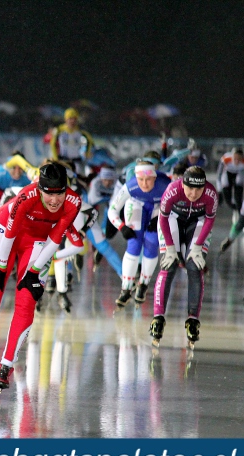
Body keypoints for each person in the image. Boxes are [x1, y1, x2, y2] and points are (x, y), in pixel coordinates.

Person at [0, 161, 81, 397]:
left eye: (59, 194)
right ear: (40, 188)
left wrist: (33, 272)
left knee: (27, 301)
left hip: (38, 242)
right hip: (7, 233)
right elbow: (10, 231)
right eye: (49, 194)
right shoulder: (27, 195)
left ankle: (7, 364)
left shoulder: (73, 202)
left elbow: (55, 240)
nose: (55, 200)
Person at [149, 167, 217, 349]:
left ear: (204, 187)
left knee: (194, 266)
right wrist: (170, 248)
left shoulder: (210, 193)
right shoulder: (173, 189)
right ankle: (158, 317)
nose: (194, 194)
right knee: (168, 265)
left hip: (199, 222)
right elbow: (162, 219)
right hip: (172, 219)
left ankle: (193, 319)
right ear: (182, 184)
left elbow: (210, 220)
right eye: (189, 189)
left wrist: (197, 247)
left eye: (198, 190)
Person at [107, 160, 171, 308]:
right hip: (136, 205)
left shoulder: (166, 185)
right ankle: (126, 288)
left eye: (148, 179)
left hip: (157, 209)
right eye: (140, 180)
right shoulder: (130, 186)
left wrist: (161, 218)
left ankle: (143, 284)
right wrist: (121, 227)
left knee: (152, 243)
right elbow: (112, 210)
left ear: (155, 178)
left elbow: (175, 208)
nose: (144, 184)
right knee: (134, 244)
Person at [49, 107, 94, 177]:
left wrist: (87, 153)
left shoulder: (81, 130)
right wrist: (56, 158)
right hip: (63, 161)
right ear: (65, 119)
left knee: (78, 182)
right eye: (70, 118)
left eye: (75, 119)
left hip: (77, 162)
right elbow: (53, 144)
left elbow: (89, 141)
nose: (72, 121)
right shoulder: (59, 130)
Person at [216, 147, 244, 213]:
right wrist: (219, 190)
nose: (237, 161)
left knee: (239, 184)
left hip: (239, 173)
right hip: (227, 173)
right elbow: (219, 175)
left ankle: (239, 208)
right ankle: (232, 205)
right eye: (235, 158)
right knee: (225, 185)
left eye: (239, 159)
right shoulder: (226, 159)